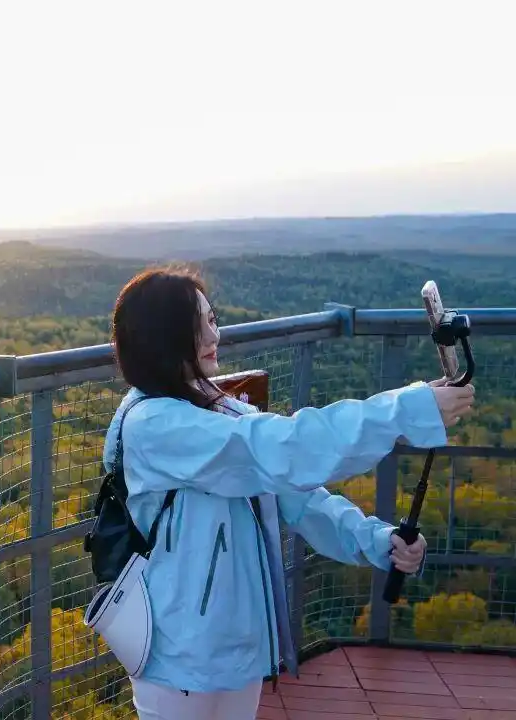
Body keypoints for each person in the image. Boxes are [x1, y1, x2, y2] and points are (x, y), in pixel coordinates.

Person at [103, 267, 475, 720]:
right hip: (178, 653)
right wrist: (406, 410)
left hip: (237, 645)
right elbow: (286, 448)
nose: (213, 334)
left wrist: (377, 540)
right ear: (161, 339)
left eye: (212, 318)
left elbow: (299, 496)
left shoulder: (217, 407)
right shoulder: (153, 426)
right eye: (194, 325)